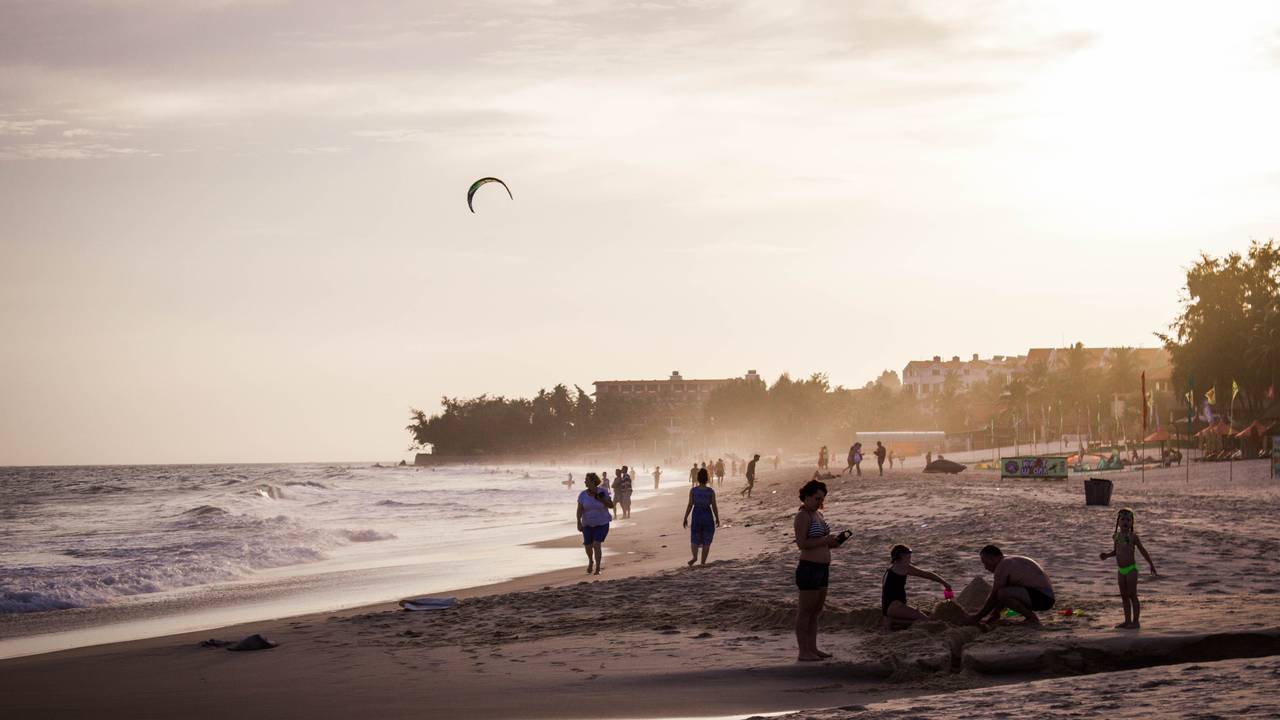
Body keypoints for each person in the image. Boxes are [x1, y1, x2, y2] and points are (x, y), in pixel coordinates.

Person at [793, 479, 850, 661]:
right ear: (807, 497)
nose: (820, 502)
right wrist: (825, 541)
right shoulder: (802, 516)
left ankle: (813, 648)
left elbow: (821, 542)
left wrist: (834, 543)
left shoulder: (818, 515)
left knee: (816, 611)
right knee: (805, 611)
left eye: (822, 499)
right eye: (817, 498)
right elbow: (802, 544)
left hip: (823, 567)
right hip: (809, 567)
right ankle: (803, 651)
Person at [966, 545, 1055, 626]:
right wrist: (995, 614)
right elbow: (1001, 597)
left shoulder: (1003, 566)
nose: (985, 567)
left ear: (993, 559)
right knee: (1003, 593)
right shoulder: (1009, 561)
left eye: (985, 563)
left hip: (1043, 597)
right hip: (1044, 596)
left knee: (1002, 593)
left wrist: (977, 617)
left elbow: (995, 595)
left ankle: (1032, 619)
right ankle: (1030, 618)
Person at [1100, 508, 1158, 629]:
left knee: (1132, 595)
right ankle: (1127, 621)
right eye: (1123, 519)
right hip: (1121, 571)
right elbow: (1116, 552)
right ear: (1118, 522)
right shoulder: (1116, 536)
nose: (1125, 522)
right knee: (1124, 596)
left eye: (1128, 520)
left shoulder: (1133, 537)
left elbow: (1143, 551)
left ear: (1132, 523)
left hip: (1131, 569)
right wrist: (1107, 555)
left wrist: (1151, 564)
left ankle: (1136, 622)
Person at [881, 545, 951, 629]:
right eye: (909, 556)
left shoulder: (890, 569)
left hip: (888, 608)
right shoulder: (903, 567)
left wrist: (885, 614)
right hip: (896, 607)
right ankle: (894, 621)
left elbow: (885, 593)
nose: (910, 558)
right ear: (902, 556)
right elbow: (927, 574)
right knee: (926, 621)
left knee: (919, 618)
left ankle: (893, 620)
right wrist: (945, 583)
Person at [576, 473, 615, 575]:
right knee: (588, 546)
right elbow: (579, 510)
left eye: (586, 480)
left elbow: (611, 505)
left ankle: (597, 568)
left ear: (593, 481)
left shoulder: (603, 492)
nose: (585, 481)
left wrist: (602, 500)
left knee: (596, 544)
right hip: (587, 524)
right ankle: (590, 561)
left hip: (602, 523)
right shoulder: (582, 495)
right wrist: (578, 522)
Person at [683, 468, 720, 566]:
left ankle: (695, 557)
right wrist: (717, 518)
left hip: (696, 515)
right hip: (707, 515)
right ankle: (703, 562)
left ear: (698, 478)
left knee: (695, 536)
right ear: (707, 479)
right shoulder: (710, 491)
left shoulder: (693, 491)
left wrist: (685, 517)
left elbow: (690, 505)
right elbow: (714, 506)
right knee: (707, 538)